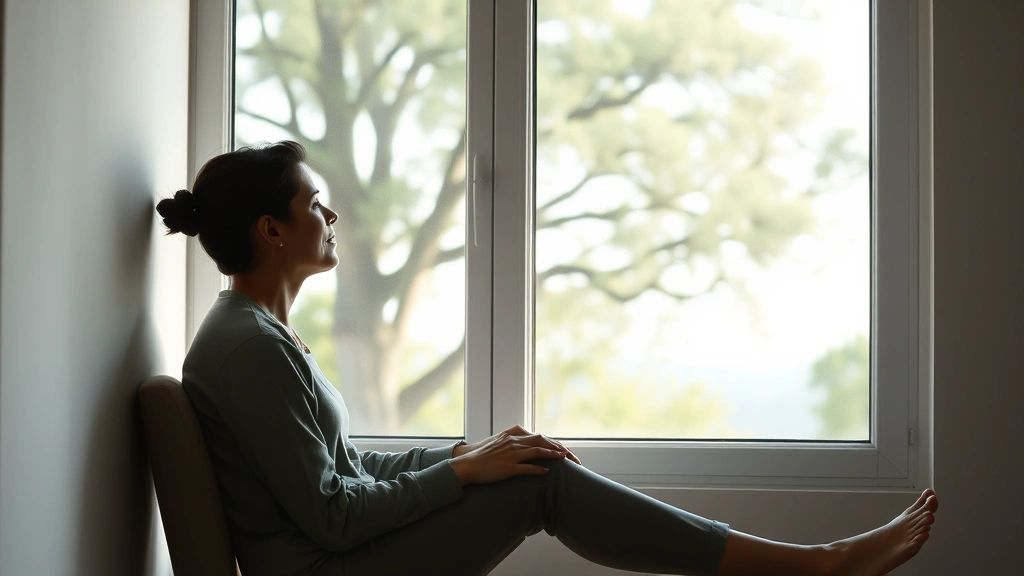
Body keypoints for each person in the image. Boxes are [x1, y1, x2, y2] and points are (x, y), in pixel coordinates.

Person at [158, 141, 938, 576]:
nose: (330, 215)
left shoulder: (260, 333)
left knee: (525, 466)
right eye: (313, 203)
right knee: (542, 487)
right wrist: (464, 475)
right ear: (271, 231)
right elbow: (332, 517)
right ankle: (815, 569)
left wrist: (462, 452)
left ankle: (814, 566)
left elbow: (342, 466)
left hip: (337, 556)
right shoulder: (245, 349)